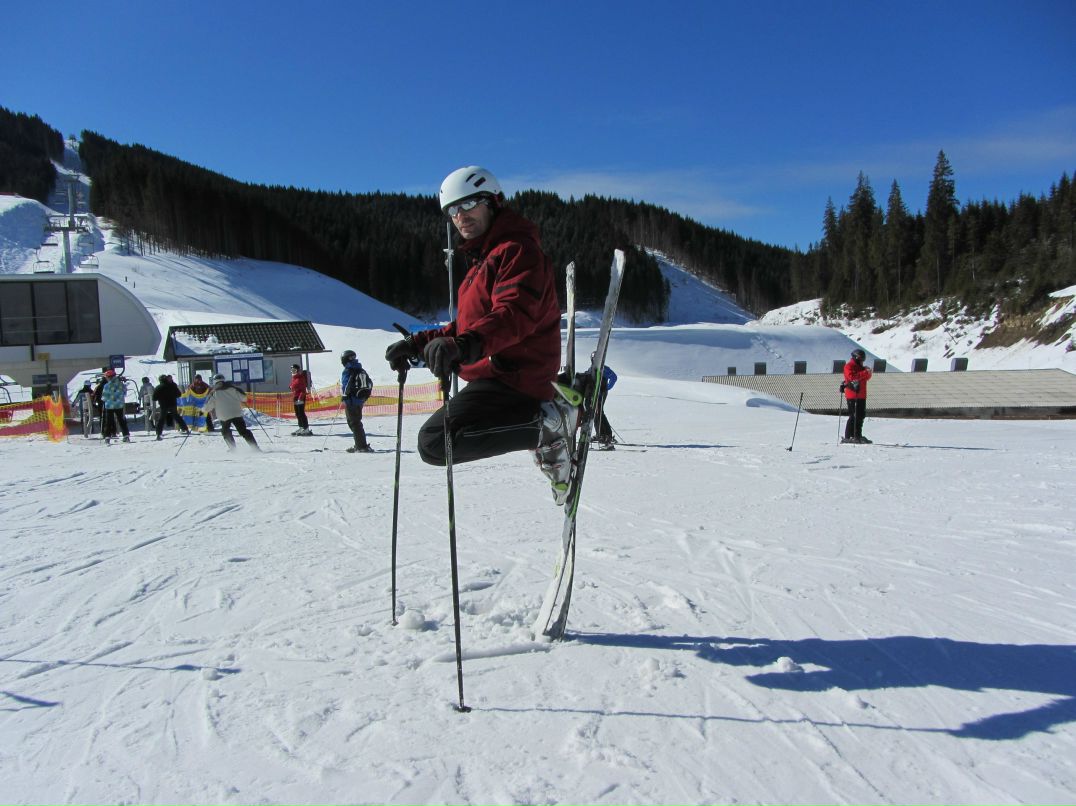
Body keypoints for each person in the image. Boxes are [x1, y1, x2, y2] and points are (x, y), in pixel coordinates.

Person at [383, 165, 571, 504]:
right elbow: (465, 326)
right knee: (437, 441)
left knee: (435, 442)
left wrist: (465, 346)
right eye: (452, 211)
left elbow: (514, 315)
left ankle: (547, 426)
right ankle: (544, 427)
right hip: (496, 374)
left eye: (468, 205)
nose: (460, 216)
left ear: (493, 202)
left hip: (516, 376)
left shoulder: (518, 251)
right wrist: (417, 343)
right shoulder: (483, 262)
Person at [203, 373, 259, 451]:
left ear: (214, 382)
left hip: (224, 416)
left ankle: (233, 449)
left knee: (226, 431)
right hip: (236, 413)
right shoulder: (233, 388)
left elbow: (208, 406)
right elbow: (244, 398)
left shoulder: (214, 392)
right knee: (243, 431)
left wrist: (203, 410)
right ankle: (255, 447)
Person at [340, 350, 373, 452]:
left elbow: (346, 384)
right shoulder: (360, 369)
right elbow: (370, 383)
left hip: (351, 400)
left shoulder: (348, 370)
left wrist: (344, 396)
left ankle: (361, 446)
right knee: (357, 422)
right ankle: (360, 444)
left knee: (354, 423)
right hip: (359, 400)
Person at [842, 348, 874, 444]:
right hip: (853, 394)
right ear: (856, 357)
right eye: (861, 358)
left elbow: (866, 378)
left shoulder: (861, 367)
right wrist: (865, 372)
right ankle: (849, 436)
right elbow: (852, 377)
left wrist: (868, 373)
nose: (862, 360)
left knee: (861, 415)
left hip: (861, 394)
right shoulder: (849, 366)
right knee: (853, 416)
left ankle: (857, 435)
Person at [153, 373, 191, 440]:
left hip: (163, 405)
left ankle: (158, 433)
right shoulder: (173, 386)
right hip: (172, 404)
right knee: (177, 417)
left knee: (161, 419)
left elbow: (154, 398)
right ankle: (185, 429)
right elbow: (179, 394)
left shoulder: (158, 387)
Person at [100, 369, 131, 443]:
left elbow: (104, 397)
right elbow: (124, 393)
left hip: (109, 405)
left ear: (109, 377)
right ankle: (126, 436)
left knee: (108, 421)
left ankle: (107, 437)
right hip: (119, 405)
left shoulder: (107, 386)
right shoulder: (121, 384)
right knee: (121, 420)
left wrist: (106, 399)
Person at [594, 365, 618, 449]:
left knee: (598, 413)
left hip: (600, 393)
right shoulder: (595, 367)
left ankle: (605, 435)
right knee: (598, 413)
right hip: (596, 393)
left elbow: (614, 377)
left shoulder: (603, 368)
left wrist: (607, 387)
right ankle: (602, 434)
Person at [290, 364, 312, 436]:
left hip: (300, 397)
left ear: (298, 371)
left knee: (301, 413)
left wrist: (300, 398)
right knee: (297, 413)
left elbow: (303, 390)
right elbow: (293, 385)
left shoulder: (301, 378)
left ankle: (306, 428)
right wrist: (290, 386)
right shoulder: (294, 378)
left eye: (294, 370)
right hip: (295, 397)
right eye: (292, 370)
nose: (293, 372)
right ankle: (301, 427)